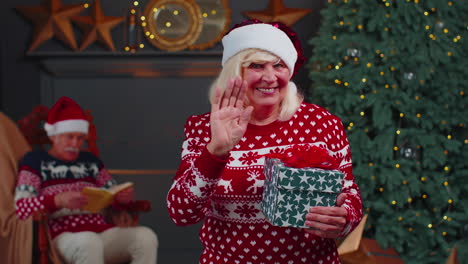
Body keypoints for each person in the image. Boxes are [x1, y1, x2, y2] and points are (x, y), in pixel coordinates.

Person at [167, 19, 363, 264]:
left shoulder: (322, 122)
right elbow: (181, 212)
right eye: (256, 66)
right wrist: (215, 151)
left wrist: (342, 220)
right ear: (234, 73)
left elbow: (350, 195)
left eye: (279, 65)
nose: (270, 77)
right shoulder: (203, 128)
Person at [14, 97, 158, 264]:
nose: (75, 144)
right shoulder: (34, 161)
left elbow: (110, 192)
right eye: (70, 137)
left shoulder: (90, 161)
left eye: (81, 138)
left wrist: (121, 200)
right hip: (62, 236)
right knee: (89, 242)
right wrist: (57, 200)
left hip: (102, 233)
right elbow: (21, 207)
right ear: (53, 136)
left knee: (145, 237)